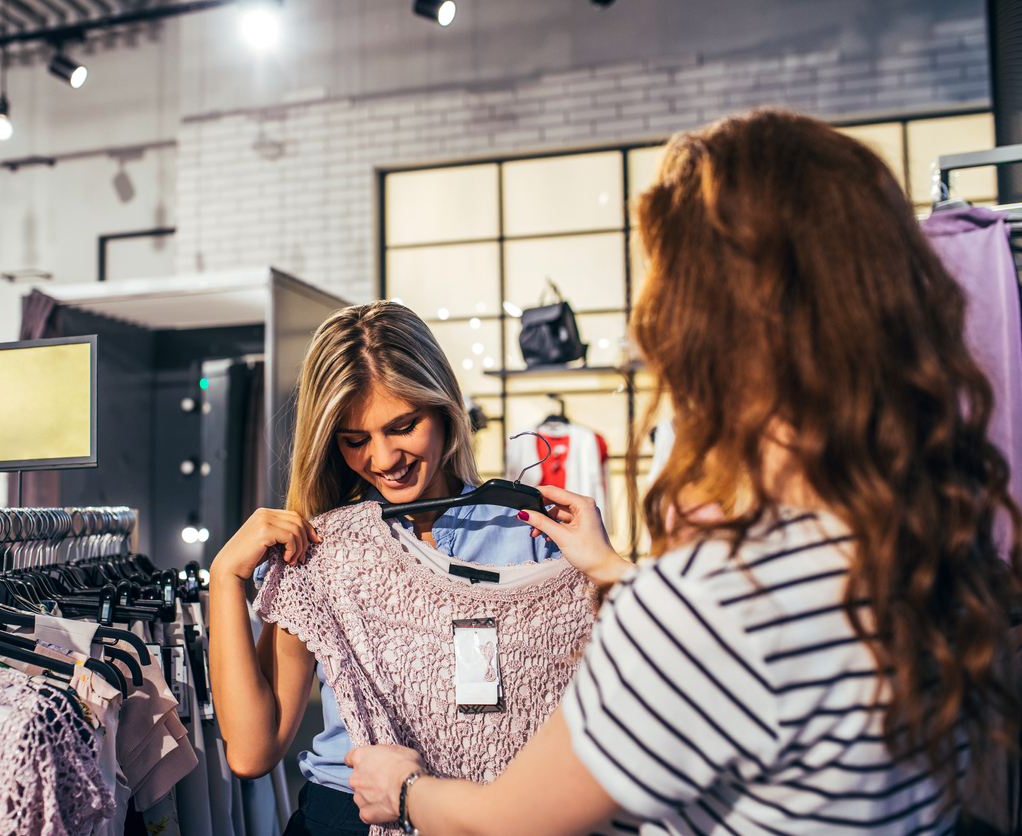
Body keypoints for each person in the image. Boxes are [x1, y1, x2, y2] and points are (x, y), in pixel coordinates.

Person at [344, 109, 1022, 835]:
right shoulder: (926, 549)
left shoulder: (709, 604)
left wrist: (406, 789)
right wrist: (614, 571)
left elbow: (513, 823)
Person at [209, 301, 629, 836]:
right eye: (355, 440)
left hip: (494, 814)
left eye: (403, 426)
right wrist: (225, 577)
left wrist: (607, 567)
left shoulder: (536, 531)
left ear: (444, 406)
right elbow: (250, 752)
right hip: (348, 815)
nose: (383, 459)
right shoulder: (324, 554)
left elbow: (643, 680)